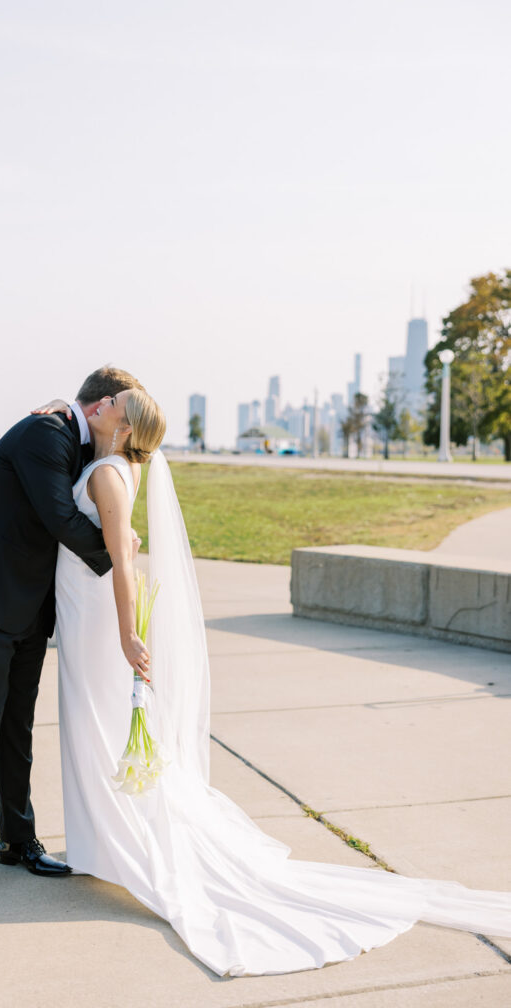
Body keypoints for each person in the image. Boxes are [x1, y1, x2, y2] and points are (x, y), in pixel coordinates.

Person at [50, 388, 511, 977]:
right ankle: (102, 842)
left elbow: (122, 557)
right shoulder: (109, 466)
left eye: (114, 402)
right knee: (95, 722)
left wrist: (125, 634)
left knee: (98, 720)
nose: (104, 405)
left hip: (97, 622)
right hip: (83, 613)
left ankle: (117, 843)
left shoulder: (109, 476)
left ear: (122, 424)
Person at [0, 365, 146, 903]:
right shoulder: (44, 435)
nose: (125, 432)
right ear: (101, 407)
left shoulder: (72, 436)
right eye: (124, 414)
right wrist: (120, 552)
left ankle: (17, 839)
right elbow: (59, 519)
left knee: (17, 725)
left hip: (30, 603)